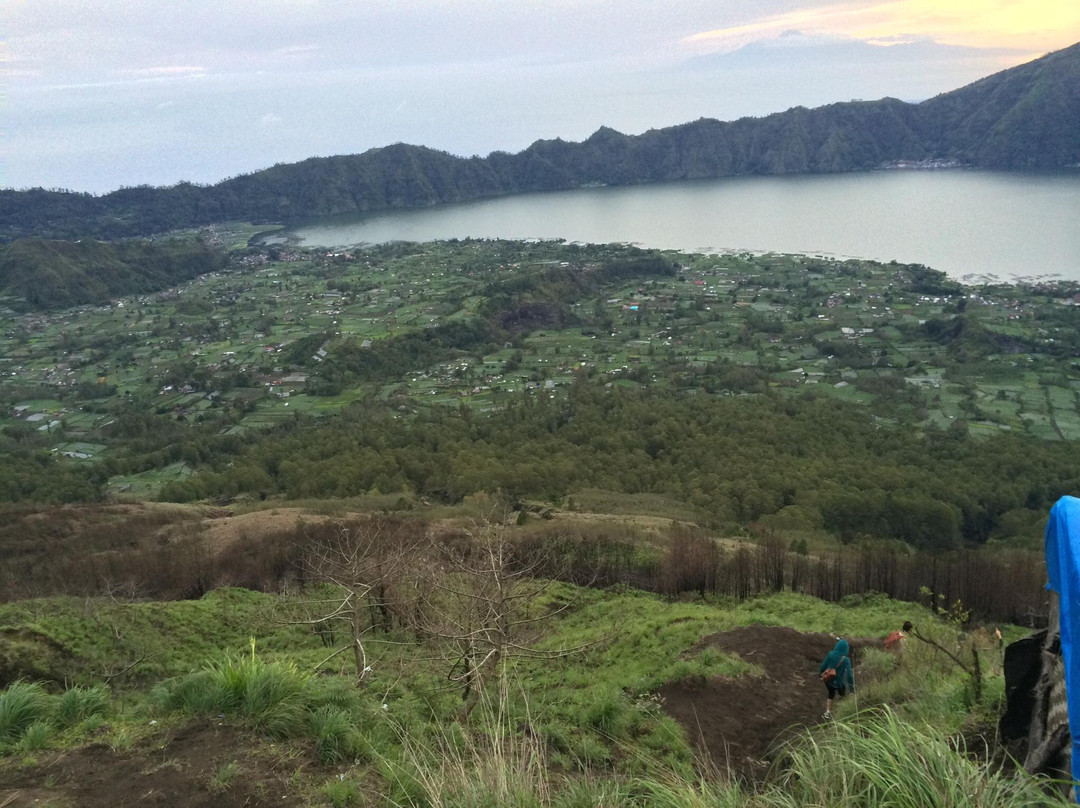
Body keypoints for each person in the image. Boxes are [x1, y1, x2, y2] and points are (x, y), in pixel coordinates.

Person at [819, 637, 855, 719]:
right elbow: (849, 674)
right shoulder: (846, 660)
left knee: (830, 694)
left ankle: (827, 712)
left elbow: (823, 666)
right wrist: (852, 688)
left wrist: (820, 675)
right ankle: (842, 712)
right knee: (843, 695)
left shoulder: (830, 654)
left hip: (829, 680)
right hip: (839, 682)